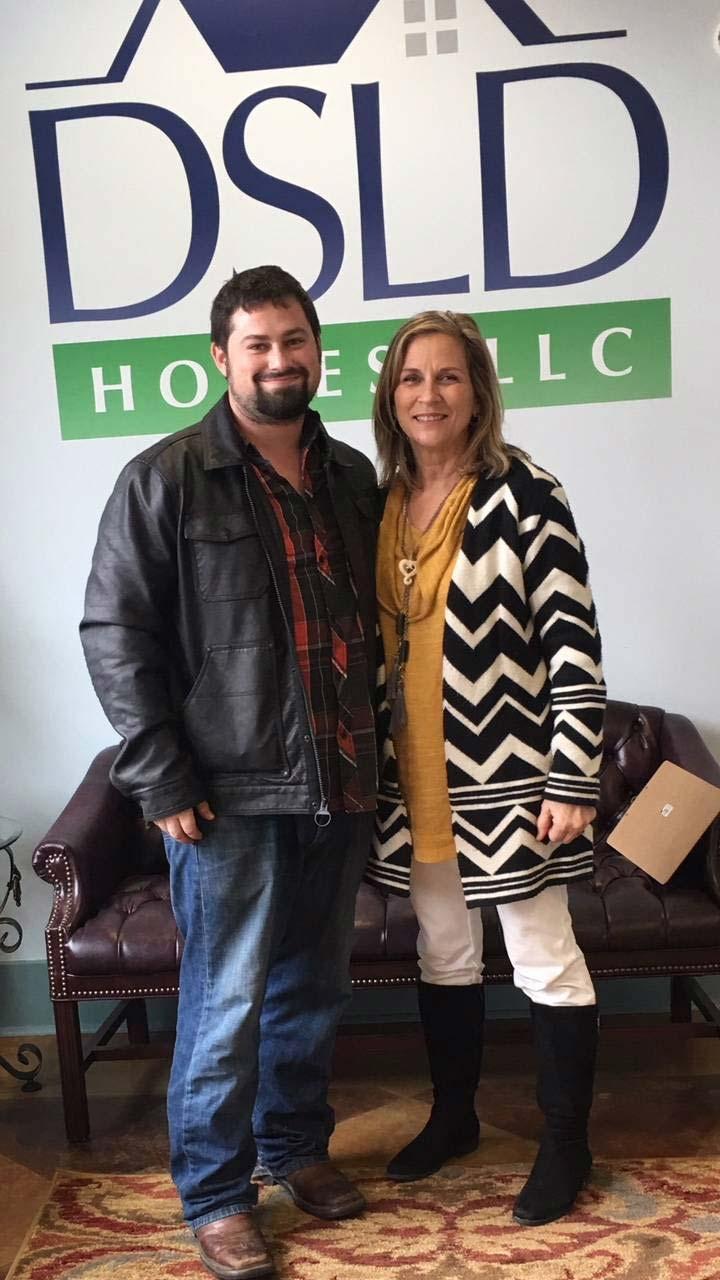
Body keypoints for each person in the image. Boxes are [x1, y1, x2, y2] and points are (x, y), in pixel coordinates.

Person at [80, 266, 379, 1280]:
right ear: (221, 356)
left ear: (316, 348)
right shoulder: (165, 477)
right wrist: (160, 779)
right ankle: (215, 1194)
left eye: (293, 339)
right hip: (227, 795)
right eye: (256, 344)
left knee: (315, 986)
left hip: (338, 783)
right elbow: (115, 635)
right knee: (227, 1001)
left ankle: (295, 1145)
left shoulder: (349, 475)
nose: (278, 359)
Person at [366, 310, 606, 1227]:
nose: (429, 394)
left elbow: (572, 640)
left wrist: (572, 774)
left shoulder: (526, 492)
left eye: (448, 377)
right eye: (411, 378)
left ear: (478, 391)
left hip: (507, 775)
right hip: (411, 782)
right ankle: (455, 1118)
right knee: (446, 952)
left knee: (544, 957)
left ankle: (564, 1142)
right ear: (392, 395)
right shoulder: (381, 498)